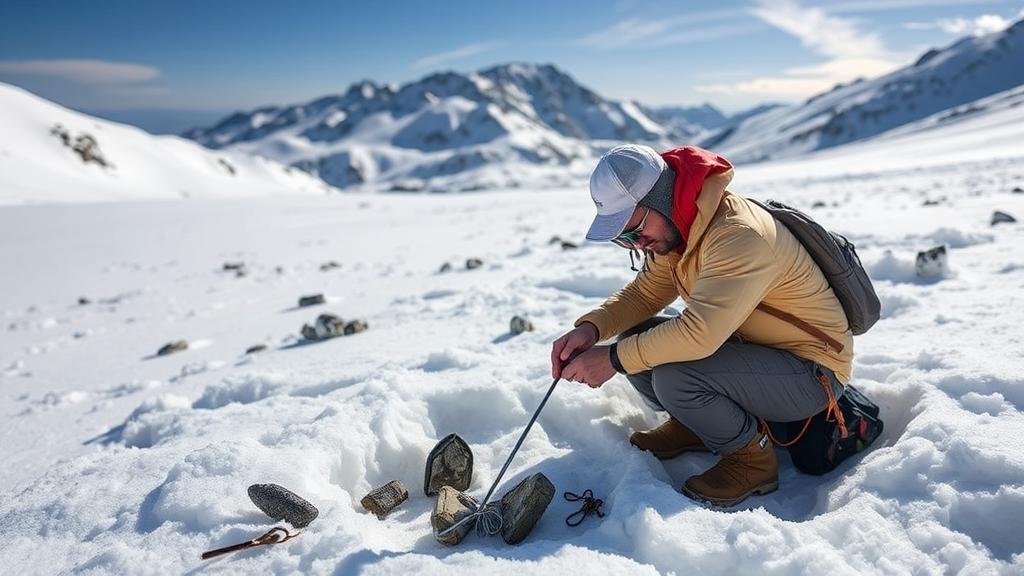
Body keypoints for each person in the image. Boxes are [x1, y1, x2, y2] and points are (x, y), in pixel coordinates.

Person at [550, 144, 853, 507]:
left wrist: (611, 359)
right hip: (755, 353)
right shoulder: (682, 228)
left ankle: (752, 460)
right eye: (624, 239)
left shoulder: (737, 235)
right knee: (638, 337)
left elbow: (700, 334)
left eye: (636, 230)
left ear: (661, 199)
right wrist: (592, 329)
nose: (638, 244)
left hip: (812, 373)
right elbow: (645, 295)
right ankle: (698, 425)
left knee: (676, 377)